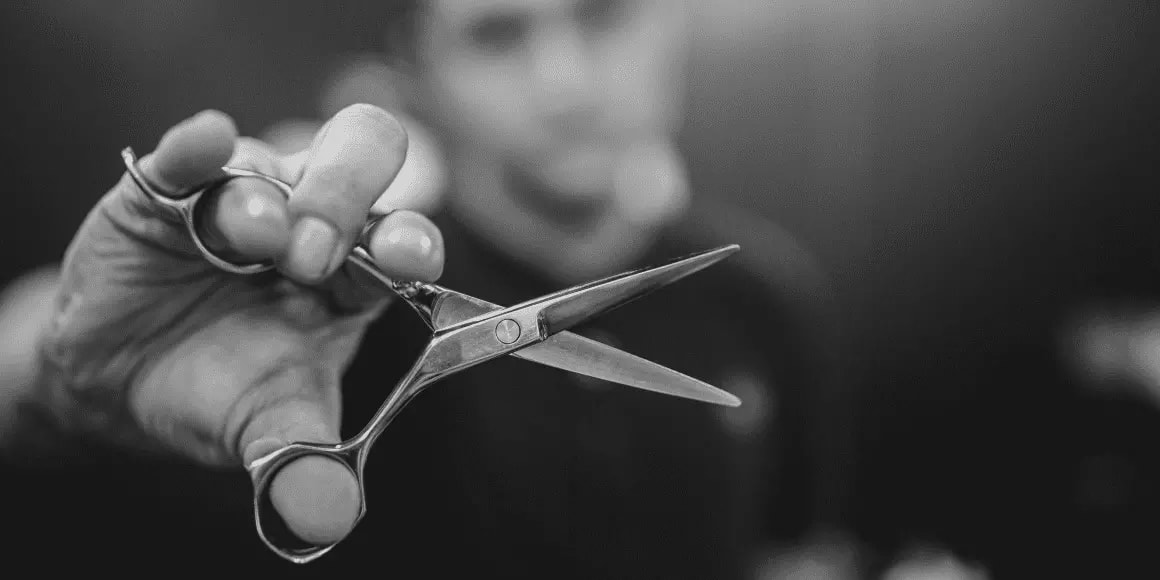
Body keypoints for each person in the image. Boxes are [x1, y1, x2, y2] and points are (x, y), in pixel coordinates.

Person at [0, 1, 851, 577]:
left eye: (602, 11)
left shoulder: (766, 297)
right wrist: (62, 371)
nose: (565, 82)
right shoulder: (330, 300)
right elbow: (28, 364)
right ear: (413, 73)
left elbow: (786, 552)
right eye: (496, 35)